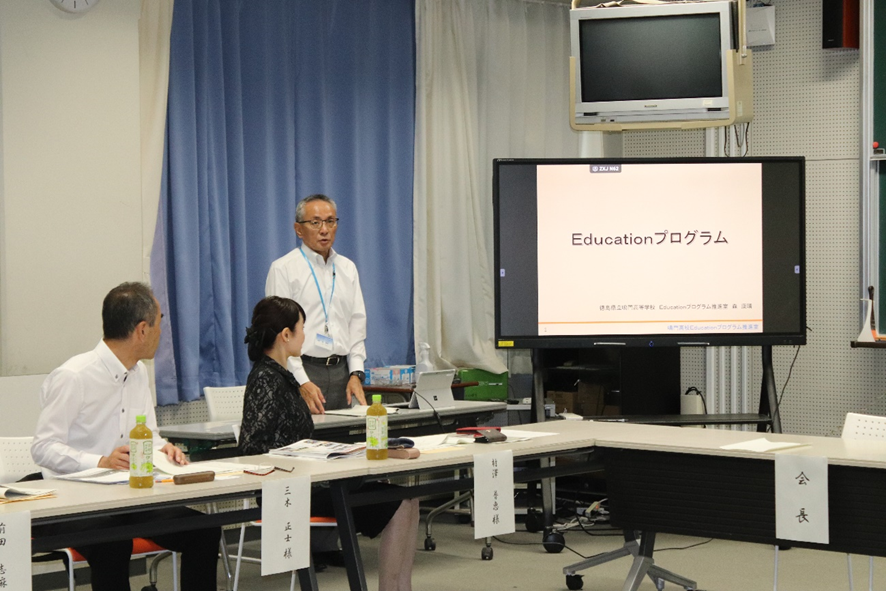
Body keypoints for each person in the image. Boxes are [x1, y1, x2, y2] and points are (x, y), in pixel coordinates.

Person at [30, 282, 221, 591]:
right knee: (112, 542)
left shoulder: (138, 373)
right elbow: (43, 448)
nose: (162, 332)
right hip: (70, 497)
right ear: (142, 330)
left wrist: (164, 449)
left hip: (124, 496)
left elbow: (149, 436)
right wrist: (100, 461)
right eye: (159, 323)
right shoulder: (74, 376)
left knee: (203, 530)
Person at [239, 296, 419, 591]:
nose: (305, 335)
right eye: (302, 328)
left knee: (409, 498)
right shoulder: (265, 379)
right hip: (291, 490)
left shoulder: (284, 377)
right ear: (286, 335)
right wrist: (296, 455)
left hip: (310, 481)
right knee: (397, 503)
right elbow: (252, 448)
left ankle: (401, 587)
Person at [266, 193, 367, 414]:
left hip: (342, 373)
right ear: (298, 229)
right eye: (315, 223)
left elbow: (357, 325)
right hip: (302, 371)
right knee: (304, 436)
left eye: (330, 221)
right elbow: (280, 335)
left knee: (344, 436)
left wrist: (356, 373)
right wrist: (301, 381)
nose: (324, 230)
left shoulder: (347, 268)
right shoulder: (283, 269)